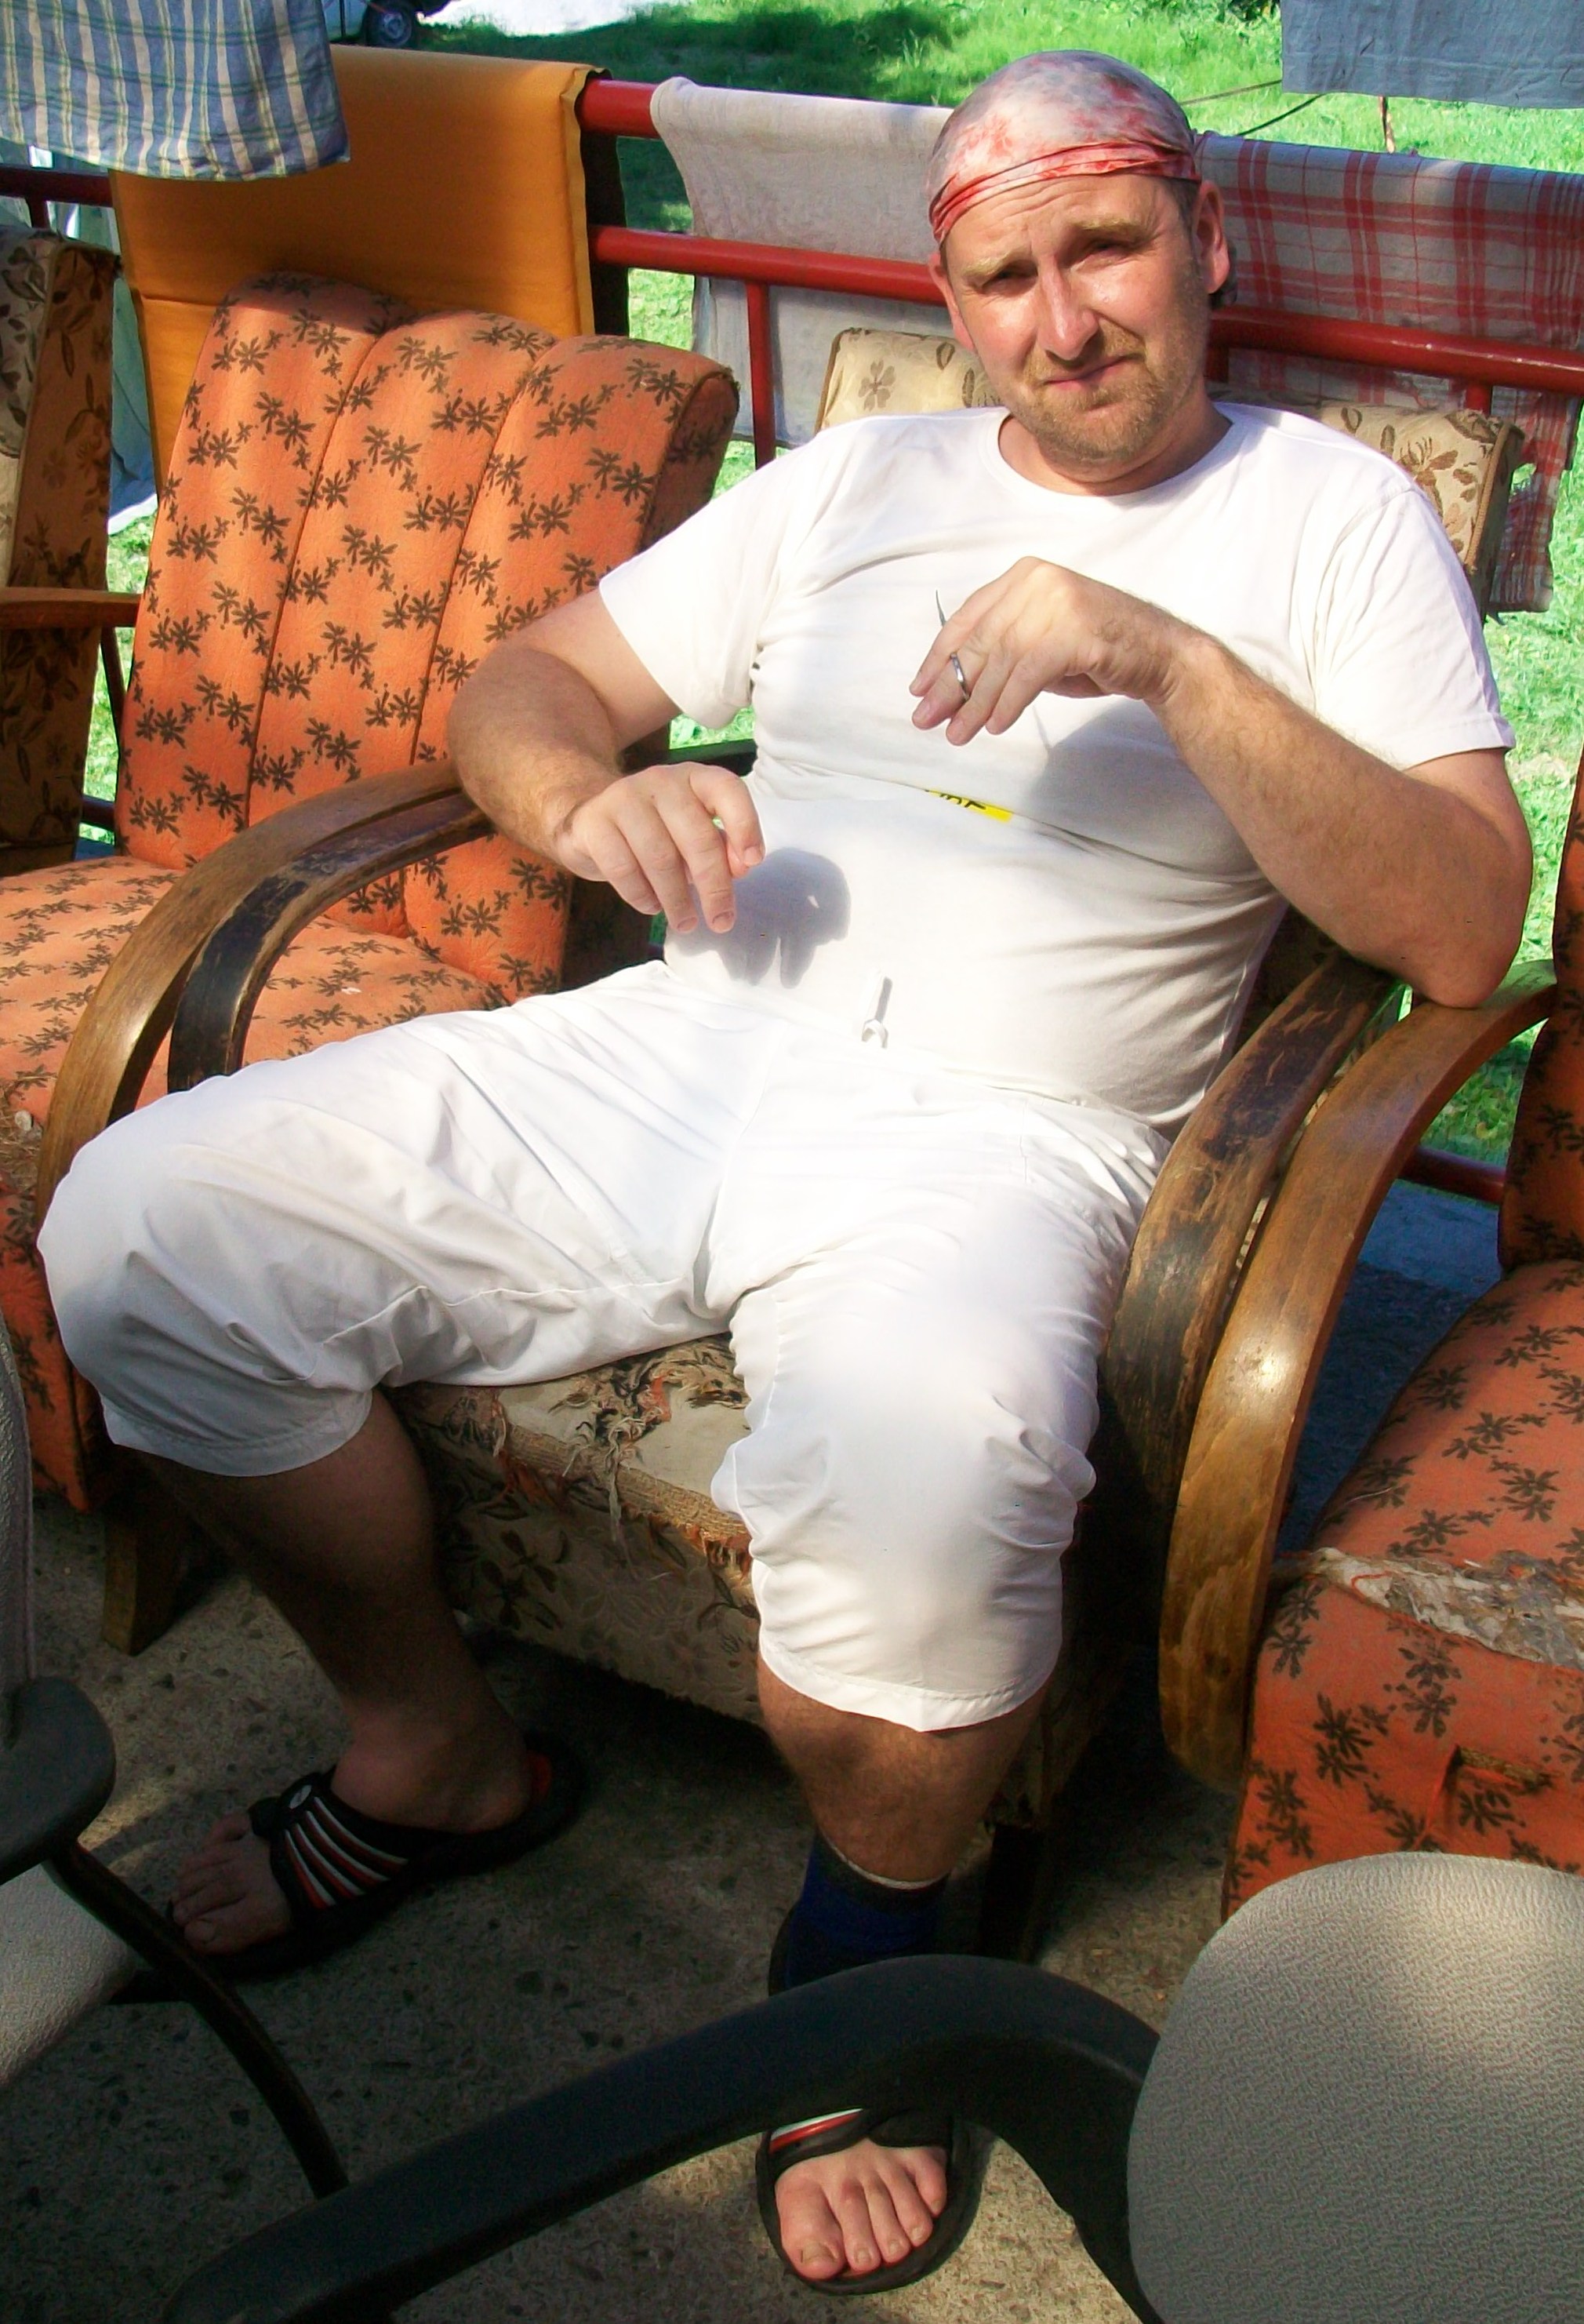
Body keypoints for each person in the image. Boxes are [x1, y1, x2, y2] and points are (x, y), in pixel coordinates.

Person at [40, 45, 1528, 2296]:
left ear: (1204, 238)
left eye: (1106, 247)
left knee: (932, 1487)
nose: (1063, 320)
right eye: (1004, 275)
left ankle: (862, 1945)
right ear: (953, 298)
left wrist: (1161, 655)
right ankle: (429, 1746)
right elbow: (526, 684)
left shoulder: (1329, 519)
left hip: (1013, 1137)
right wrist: (580, 800)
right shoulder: (859, 480)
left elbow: (1459, 924)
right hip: (689, 1042)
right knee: (144, 1230)